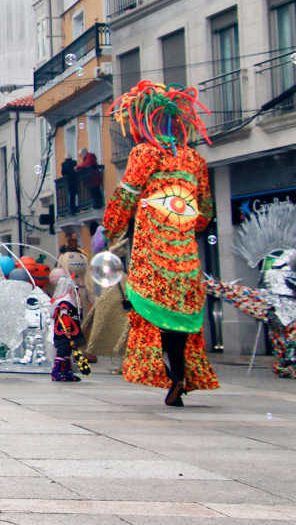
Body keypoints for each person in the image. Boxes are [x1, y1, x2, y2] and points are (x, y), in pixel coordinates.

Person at [104, 81, 218, 407]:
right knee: (178, 322)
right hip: (185, 258)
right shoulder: (194, 159)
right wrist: (183, 225)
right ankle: (178, 375)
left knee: (156, 317)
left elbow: (126, 194)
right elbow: (205, 213)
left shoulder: (144, 153)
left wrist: (112, 226)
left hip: (153, 254)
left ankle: (175, 375)